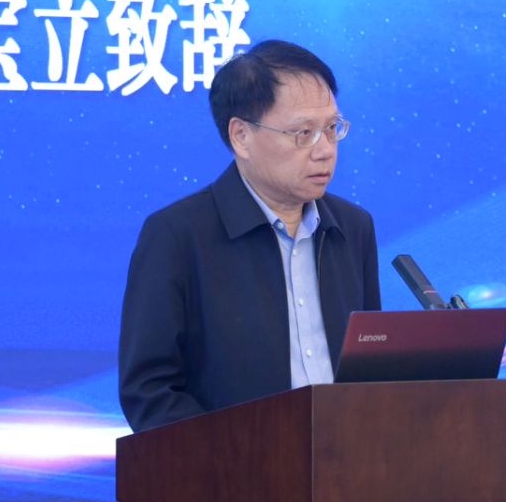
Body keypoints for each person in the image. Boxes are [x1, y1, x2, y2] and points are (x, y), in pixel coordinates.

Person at [118, 40, 382, 434]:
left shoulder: (353, 228)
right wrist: (235, 456)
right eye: (303, 133)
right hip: (234, 466)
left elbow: (370, 369)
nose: (325, 150)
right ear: (241, 136)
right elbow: (150, 391)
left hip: (345, 463)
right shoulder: (177, 236)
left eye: (331, 129)